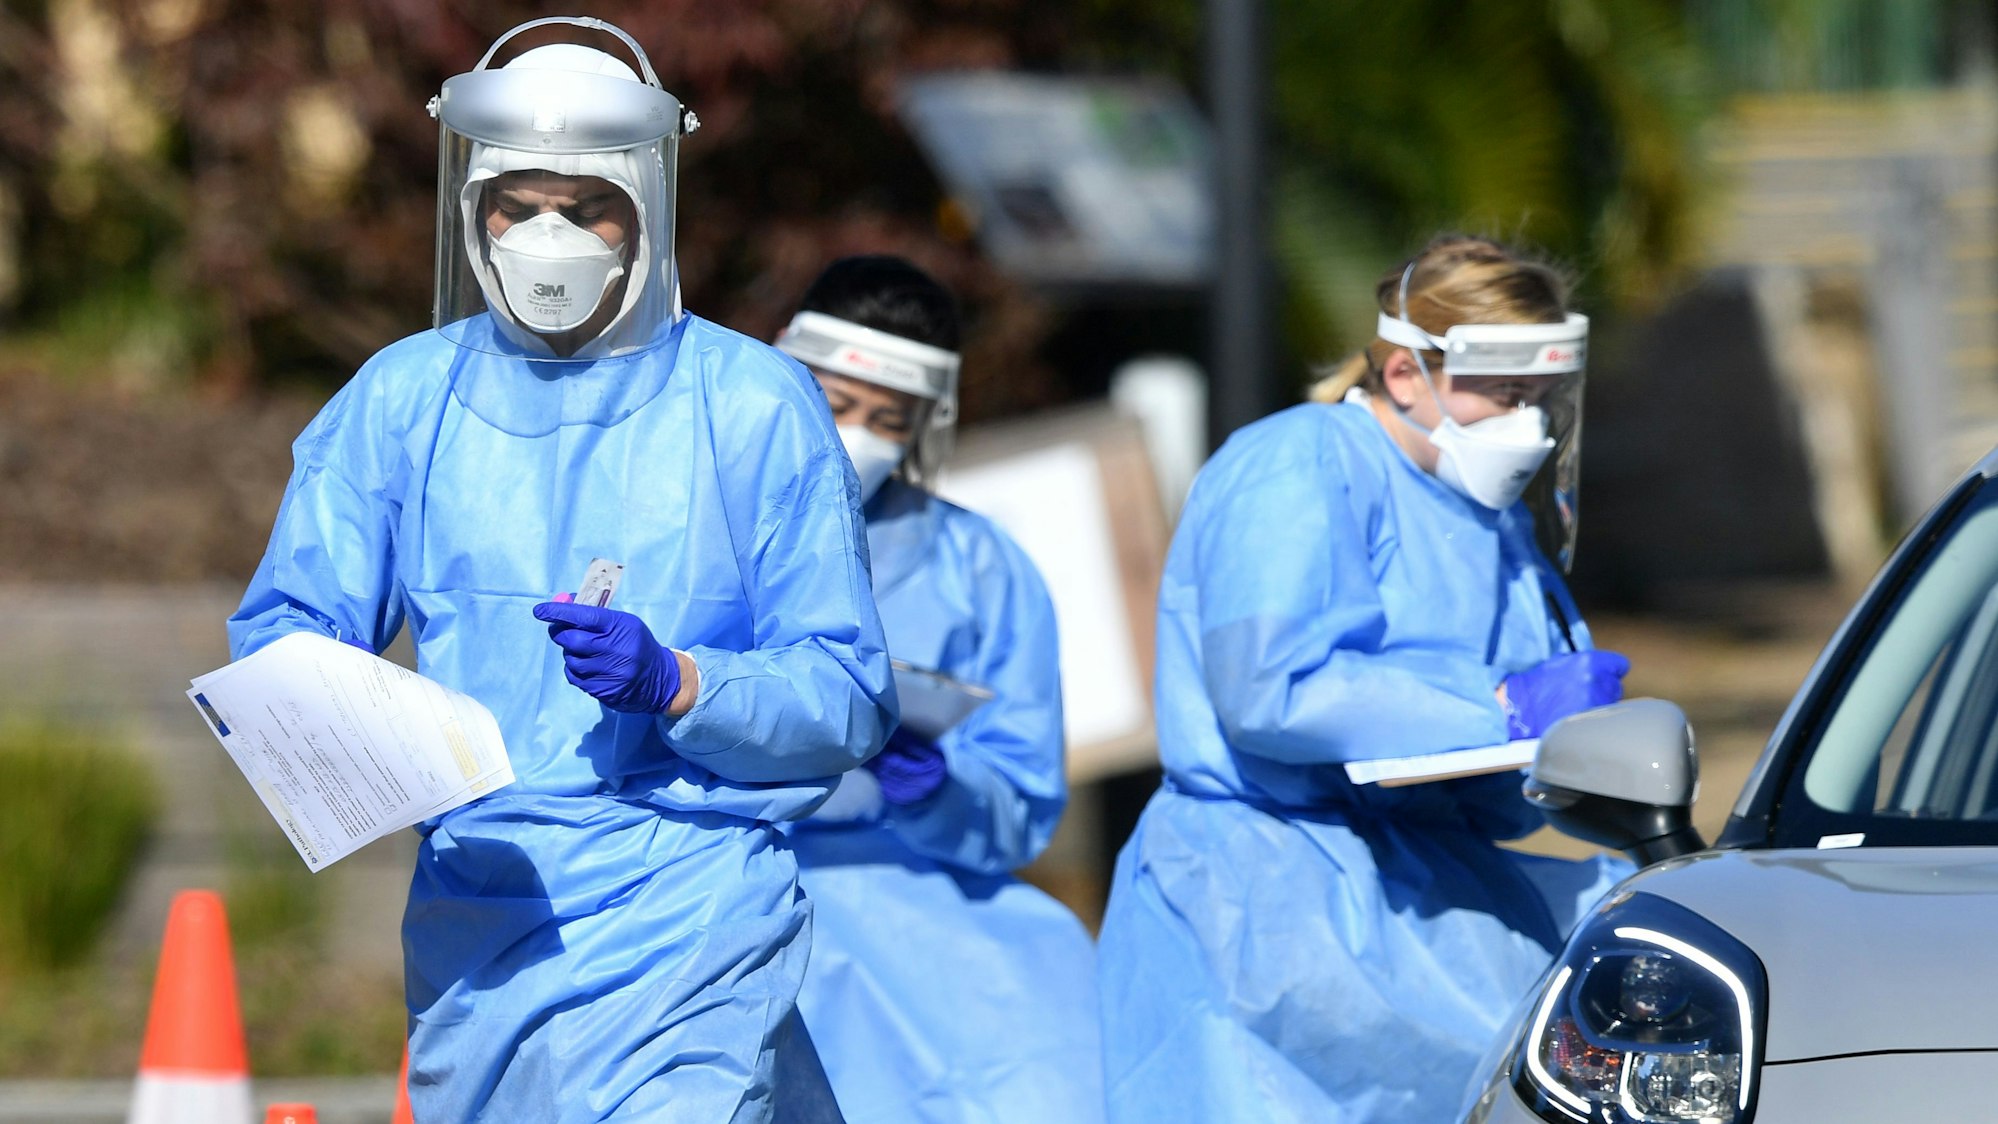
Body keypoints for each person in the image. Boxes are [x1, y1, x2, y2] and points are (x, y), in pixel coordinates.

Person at [228, 19, 890, 1122]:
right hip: (485, 912)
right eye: (517, 202)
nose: (547, 236)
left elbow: (847, 692)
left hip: (690, 900)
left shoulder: (753, 404)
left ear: (647, 208)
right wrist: (384, 736)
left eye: (584, 207)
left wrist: (679, 681)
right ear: (470, 205)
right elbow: (288, 638)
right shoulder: (403, 399)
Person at [1095, 235, 1636, 1121]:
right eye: (1501, 394)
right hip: (1261, 906)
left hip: (1425, 903)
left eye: (1537, 399)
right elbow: (1268, 691)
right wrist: (1494, 710)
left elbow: (1495, 795)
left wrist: (1559, 748)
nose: (1525, 425)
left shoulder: (1493, 525)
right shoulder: (1297, 462)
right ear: (1403, 375)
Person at [772, 256, 1105, 1122]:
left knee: (1046, 1025)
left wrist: (941, 790)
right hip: (723, 873)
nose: (856, 435)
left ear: (929, 422)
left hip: (911, 890)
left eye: (889, 419)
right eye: (833, 404)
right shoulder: (697, 526)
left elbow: (1022, 801)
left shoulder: (980, 569)